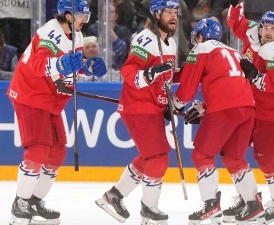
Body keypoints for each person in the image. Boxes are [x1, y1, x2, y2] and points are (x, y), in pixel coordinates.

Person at [6, 0, 107, 224]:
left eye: (86, 16)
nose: (84, 20)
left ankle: (34, 201)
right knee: (39, 150)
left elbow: (74, 62)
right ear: (68, 15)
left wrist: (88, 67)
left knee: (57, 152)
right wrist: (61, 65)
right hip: (31, 97)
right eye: (81, 15)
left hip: (50, 101)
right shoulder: (48, 33)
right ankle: (19, 205)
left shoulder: (77, 36)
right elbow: (38, 63)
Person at [95, 0, 180, 224]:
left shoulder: (169, 43)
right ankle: (149, 209)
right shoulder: (145, 39)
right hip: (138, 107)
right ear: (156, 15)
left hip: (152, 107)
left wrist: (166, 99)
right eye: (169, 12)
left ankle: (114, 196)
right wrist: (148, 75)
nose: (174, 16)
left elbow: (165, 76)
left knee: (148, 157)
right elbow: (129, 69)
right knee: (158, 158)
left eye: (176, 12)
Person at [174, 18, 265, 225]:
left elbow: (187, 89)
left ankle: (210, 205)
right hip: (247, 108)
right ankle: (254, 204)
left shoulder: (201, 48)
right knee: (234, 159)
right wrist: (205, 107)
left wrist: (174, 105)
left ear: (199, 35)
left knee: (202, 155)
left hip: (226, 108)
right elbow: (226, 83)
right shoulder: (233, 51)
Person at [223, 1, 274, 223]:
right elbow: (236, 23)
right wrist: (236, 4)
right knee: (231, 153)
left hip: (270, 115)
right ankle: (249, 200)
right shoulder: (255, 30)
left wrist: (253, 74)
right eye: (266, 27)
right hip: (248, 110)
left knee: (268, 164)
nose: (268, 32)